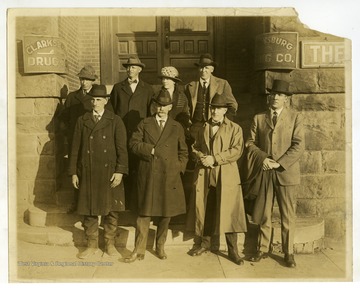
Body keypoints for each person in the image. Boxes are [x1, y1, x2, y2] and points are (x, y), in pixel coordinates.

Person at [245, 79, 305, 268]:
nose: (275, 97)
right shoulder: (259, 118)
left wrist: (279, 164)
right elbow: (250, 143)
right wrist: (263, 158)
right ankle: (262, 249)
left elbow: (299, 145)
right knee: (264, 213)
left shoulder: (296, 118)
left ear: (286, 99)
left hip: (285, 173)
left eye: (280, 95)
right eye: (273, 94)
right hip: (264, 171)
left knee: (288, 215)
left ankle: (288, 252)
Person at [124, 89, 188, 262]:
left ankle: (160, 246)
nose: (161, 108)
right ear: (155, 106)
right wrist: (151, 150)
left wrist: (178, 168)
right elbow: (133, 144)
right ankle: (139, 249)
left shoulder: (176, 127)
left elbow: (184, 151)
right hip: (149, 174)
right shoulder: (145, 123)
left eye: (165, 105)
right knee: (144, 214)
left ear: (170, 107)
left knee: (165, 215)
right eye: (159, 105)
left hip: (169, 175)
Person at [186, 93, 247, 266]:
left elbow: (237, 150)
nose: (214, 111)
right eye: (213, 107)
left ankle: (232, 250)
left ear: (225, 110)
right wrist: (200, 156)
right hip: (206, 174)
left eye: (218, 108)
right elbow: (195, 146)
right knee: (207, 207)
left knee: (229, 212)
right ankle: (204, 244)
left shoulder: (235, 128)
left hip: (226, 175)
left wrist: (215, 158)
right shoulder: (203, 127)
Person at [68, 84, 128, 259]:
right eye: (93, 99)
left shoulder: (115, 120)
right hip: (88, 171)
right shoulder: (82, 120)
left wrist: (120, 171)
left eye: (99, 99)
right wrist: (73, 172)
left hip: (109, 172)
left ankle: (110, 244)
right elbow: (75, 149)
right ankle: (91, 244)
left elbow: (122, 149)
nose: (95, 103)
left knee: (111, 211)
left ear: (106, 101)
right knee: (89, 209)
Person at [60, 65, 112, 213]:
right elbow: (64, 117)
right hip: (77, 137)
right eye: (82, 79)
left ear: (93, 80)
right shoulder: (72, 97)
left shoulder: (98, 97)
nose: (84, 82)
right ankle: (76, 203)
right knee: (76, 170)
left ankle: (93, 205)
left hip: (95, 140)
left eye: (88, 80)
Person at [110, 56, 154, 211]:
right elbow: (112, 111)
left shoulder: (147, 89)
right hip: (121, 134)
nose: (130, 70)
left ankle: (137, 205)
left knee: (138, 168)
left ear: (139, 70)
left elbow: (150, 113)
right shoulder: (117, 88)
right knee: (123, 166)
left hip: (139, 136)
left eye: (133, 67)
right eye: (128, 67)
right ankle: (124, 204)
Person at [184, 53, 238, 141]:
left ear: (212, 69)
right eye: (201, 67)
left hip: (215, 125)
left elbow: (233, 106)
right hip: (196, 126)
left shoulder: (222, 84)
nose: (203, 70)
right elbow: (185, 107)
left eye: (206, 68)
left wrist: (224, 122)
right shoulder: (190, 86)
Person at [151, 66, 191, 130]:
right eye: (163, 79)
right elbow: (152, 112)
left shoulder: (181, 96)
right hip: (161, 128)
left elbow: (185, 113)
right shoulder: (157, 95)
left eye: (167, 79)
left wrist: (180, 127)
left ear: (174, 81)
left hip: (177, 129)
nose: (164, 81)